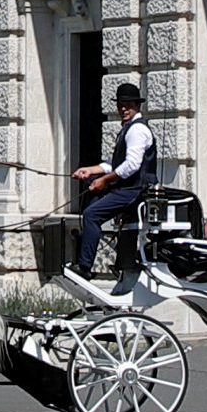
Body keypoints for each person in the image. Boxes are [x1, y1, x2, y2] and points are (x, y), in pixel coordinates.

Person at [70, 81, 156, 278]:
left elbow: (132, 165)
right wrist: (89, 171)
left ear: (137, 105)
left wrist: (104, 180)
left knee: (92, 214)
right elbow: (116, 164)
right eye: (120, 105)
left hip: (135, 190)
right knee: (91, 201)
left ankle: (84, 267)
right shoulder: (129, 128)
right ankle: (113, 259)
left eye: (128, 104)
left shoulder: (137, 130)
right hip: (127, 188)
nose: (123, 109)